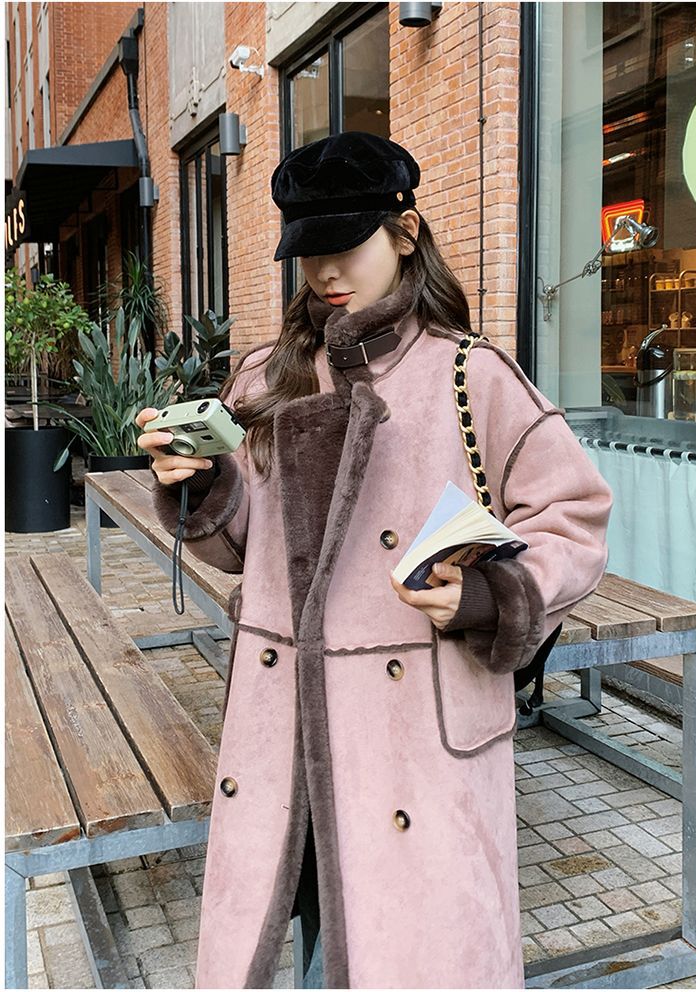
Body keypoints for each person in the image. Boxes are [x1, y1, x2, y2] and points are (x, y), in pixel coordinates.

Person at [136, 131, 613, 990]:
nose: (325, 272)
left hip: (413, 732)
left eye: (346, 244)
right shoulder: (265, 378)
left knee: (406, 950)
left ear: (405, 232)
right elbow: (237, 548)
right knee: (307, 935)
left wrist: (487, 596)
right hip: (285, 720)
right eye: (308, 250)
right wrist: (199, 483)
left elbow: (574, 517)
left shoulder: (471, 375)